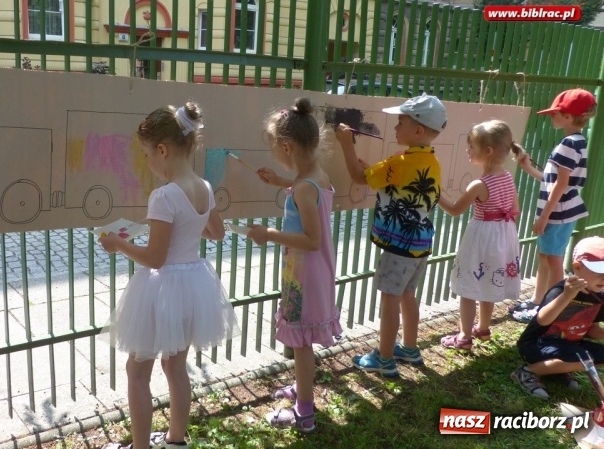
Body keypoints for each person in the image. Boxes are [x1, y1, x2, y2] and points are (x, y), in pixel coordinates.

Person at [98, 102, 240, 449]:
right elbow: (217, 233)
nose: (147, 162)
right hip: (194, 285)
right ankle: (176, 440)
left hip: (162, 290)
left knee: (137, 371)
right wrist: (187, 232)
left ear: (162, 150)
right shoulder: (204, 187)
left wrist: (117, 244)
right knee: (175, 367)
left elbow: (156, 258)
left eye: (147, 154)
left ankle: (141, 446)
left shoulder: (163, 195)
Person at [335, 94, 446, 377]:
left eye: (400, 123)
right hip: (420, 243)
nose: (395, 128)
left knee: (390, 300)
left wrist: (346, 146)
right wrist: (369, 169)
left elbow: (360, 179)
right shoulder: (430, 161)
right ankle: (409, 347)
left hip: (398, 247)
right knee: (408, 295)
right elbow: (378, 176)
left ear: (418, 130)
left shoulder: (400, 162)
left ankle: (384, 359)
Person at [248, 97, 342, 433]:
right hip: (309, 272)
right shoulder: (315, 177)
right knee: (300, 342)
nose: (272, 151)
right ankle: (302, 389)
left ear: (287, 147)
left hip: (305, 274)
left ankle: (304, 413)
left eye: (273, 146)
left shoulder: (303, 188)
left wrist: (268, 234)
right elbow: (307, 195)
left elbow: (312, 239)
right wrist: (278, 182)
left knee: (300, 344)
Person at [510, 89, 597, 322]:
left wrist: (544, 216)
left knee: (553, 260)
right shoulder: (578, 141)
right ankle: (538, 301)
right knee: (545, 256)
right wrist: (528, 167)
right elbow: (554, 181)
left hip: (557, 213)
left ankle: (551, 308)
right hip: (563, 211)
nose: (551, 117)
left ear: (568, 116)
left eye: (555, 113)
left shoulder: (569, 144)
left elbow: (561, 184)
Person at [438, 120, 522, 351]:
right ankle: (483, 328)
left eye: (471, 147)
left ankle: (464, 336)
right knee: (488, 282)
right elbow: (516, 210)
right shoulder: (507, 177)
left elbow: (455, 210)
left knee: (469, 286)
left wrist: (435, 194)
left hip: (482, 237)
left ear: (487, 151)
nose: (467, 151)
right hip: (504, 236)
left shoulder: (479, 184)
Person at [512, 236, 604, 399]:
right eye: (598, 271)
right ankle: (526, 372)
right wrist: (567, 296)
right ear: (577, 267)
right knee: (583, 358)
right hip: (537, 343)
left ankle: (556, 370)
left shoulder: (599, 297)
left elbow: (592, 330)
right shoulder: (561, 289)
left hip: (569, 344)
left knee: (588, 355)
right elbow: (543, 320)